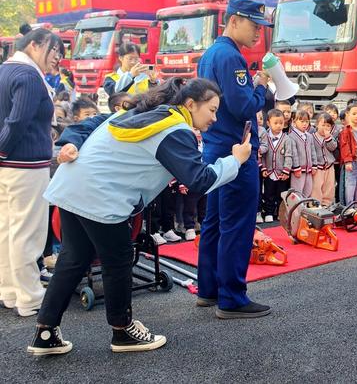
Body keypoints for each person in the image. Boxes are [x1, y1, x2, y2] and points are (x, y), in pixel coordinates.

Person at [27, 77, 251, 355]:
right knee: (118, 262)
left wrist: (69, 142)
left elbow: (88, 124)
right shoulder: (174, 129)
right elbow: (200, 180)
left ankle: (46, 333)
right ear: (190, 104)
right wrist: (236, 160)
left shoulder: (142, 112)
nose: (215, 118)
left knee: (72, 260)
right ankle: (123, 332)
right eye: (212, 109)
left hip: (72, 187)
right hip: (102, 197)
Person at [196, 0, 272, 318]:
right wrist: (262, 88)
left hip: (215, 148)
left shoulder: (211, 54)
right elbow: (243, 107)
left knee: (214, 222)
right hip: (236, 151)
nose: (258, 32)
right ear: (234, 20)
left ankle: (209, 289)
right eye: (254, 24)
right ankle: (232, 297)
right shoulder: (231, 57)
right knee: (237, 224)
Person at [0, 28, 64, 317]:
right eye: (55, 51)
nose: (58, 59)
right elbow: (17, 123)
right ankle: (29, 296)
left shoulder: (6, 70)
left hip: (10, 165)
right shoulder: (28, 76)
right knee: (27, 232)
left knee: (8, 230)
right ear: (36, 45)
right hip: (25, 164)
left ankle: (11, 290)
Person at [259, 109, 292, 222]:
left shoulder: (287, 139)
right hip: (269, 172)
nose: (279, 126)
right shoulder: (265, 137)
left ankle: (279, 212)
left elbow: (289, 155)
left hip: (281, 172)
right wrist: (263, 168)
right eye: (275, 123)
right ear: (268, 123)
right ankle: (268, 212)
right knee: (268, 193)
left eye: (281, 123)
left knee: (281, 194)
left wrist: (286, 170)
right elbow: (262, 155)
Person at [311, 112, 338, 207]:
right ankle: (315, 204)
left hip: (329, 166)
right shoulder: (312, 137)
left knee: (329, 187)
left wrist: (328, 138)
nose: (325, 128)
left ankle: (327, 204)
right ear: (317, 124)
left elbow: (333, 147)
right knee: (316, 187)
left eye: (328, 126)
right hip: (318, 167)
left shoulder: (330, 137)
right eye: (323, 125)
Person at [289, 110, 317, 197]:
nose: (304, 124)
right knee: (297, 192)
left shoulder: (309, 136)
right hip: (298, 170)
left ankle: (303, 209)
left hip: (308, 170)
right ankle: (295, 210)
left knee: (308, 190)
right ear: (294, 122)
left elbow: (313, 151)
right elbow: (294, 153)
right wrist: (296, 168)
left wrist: (314, 165)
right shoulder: (291, 136)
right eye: (301, 121)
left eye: (307, 121)